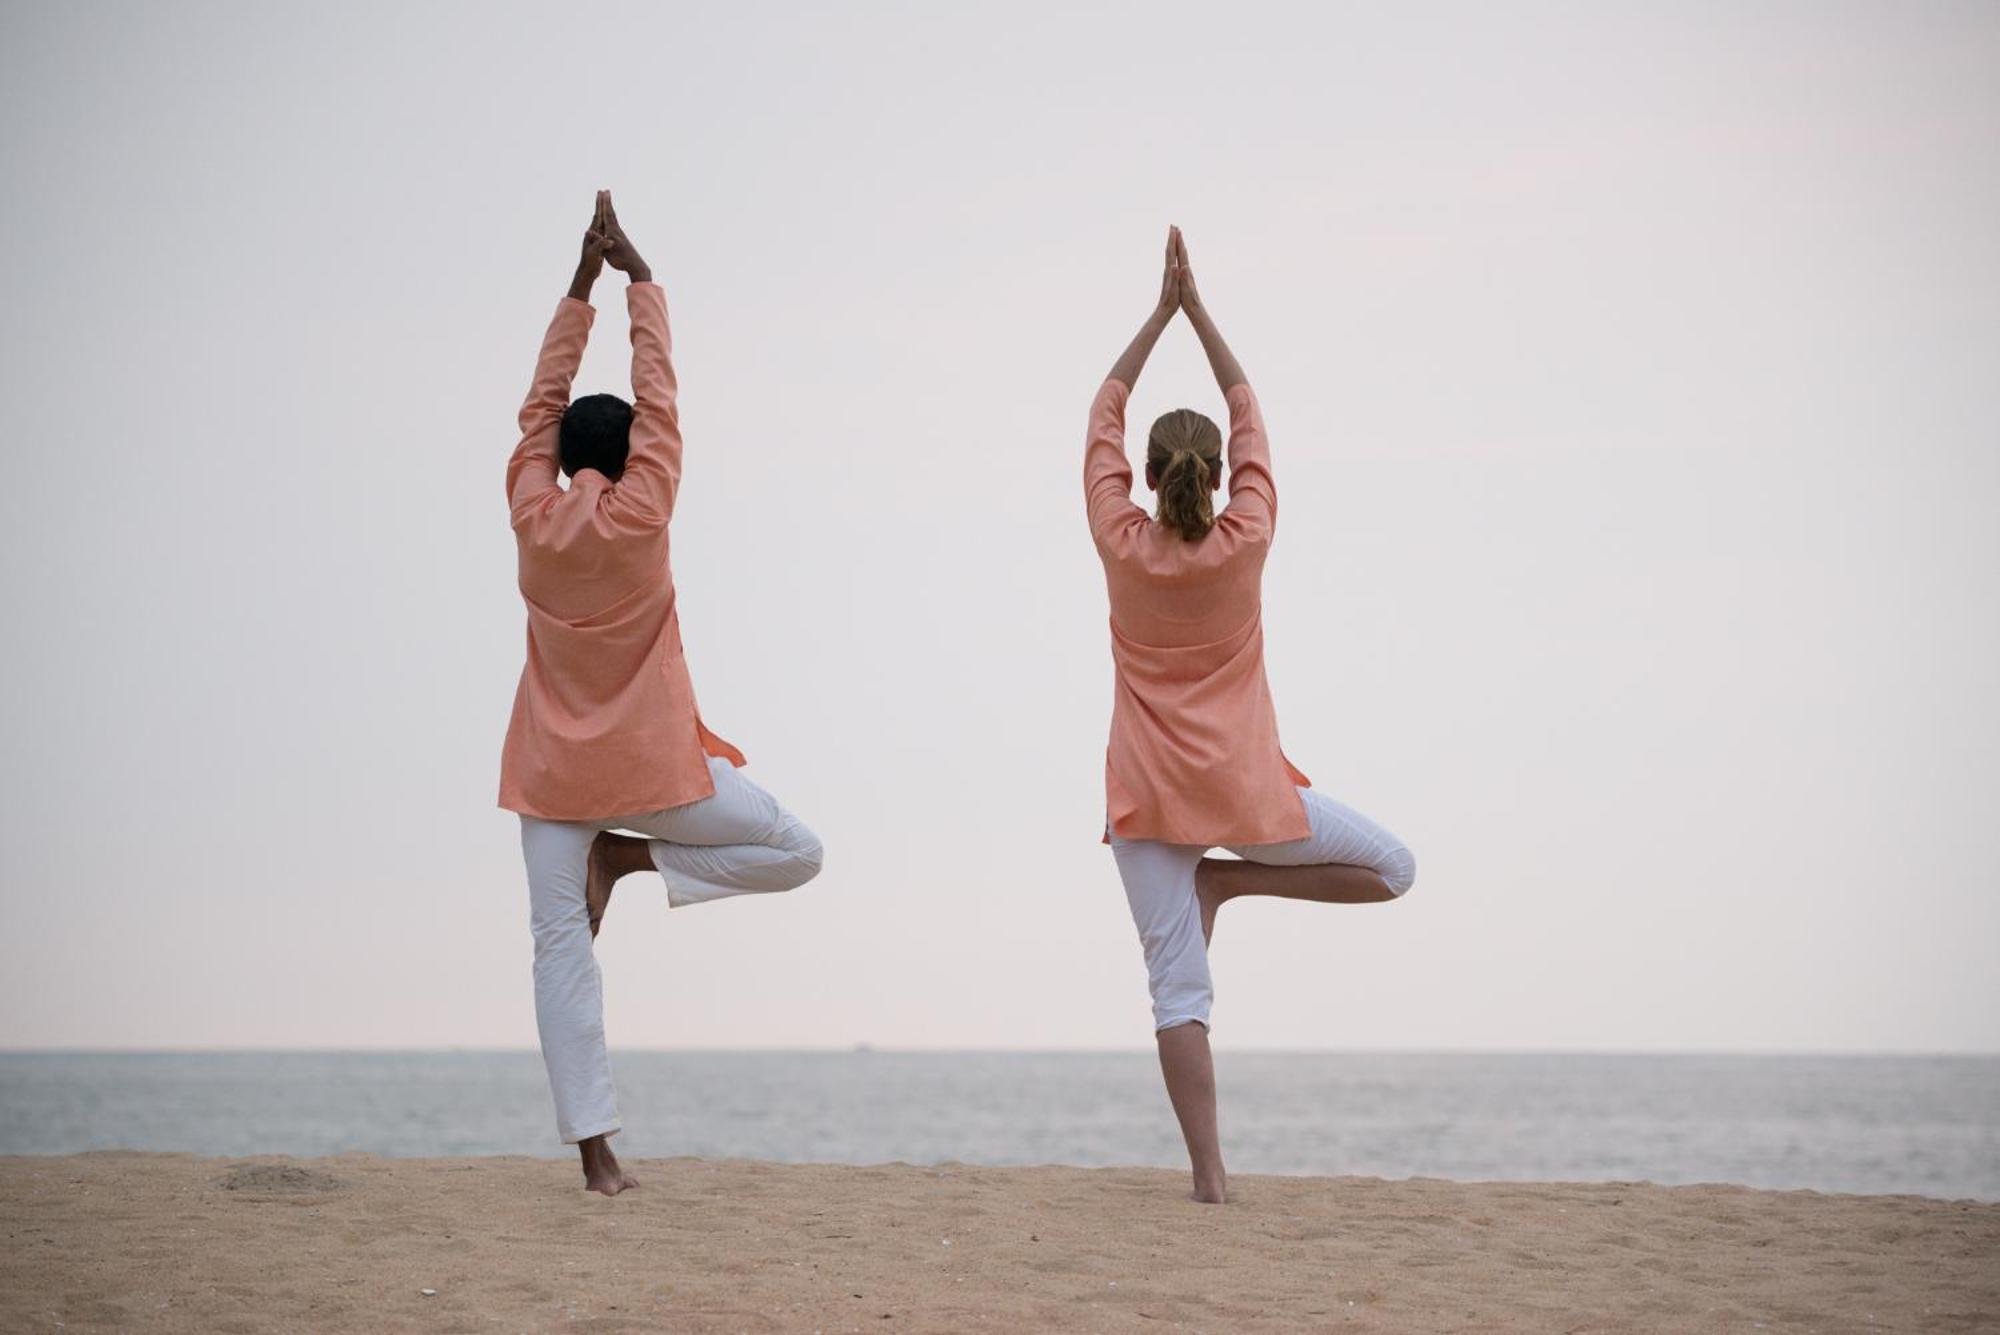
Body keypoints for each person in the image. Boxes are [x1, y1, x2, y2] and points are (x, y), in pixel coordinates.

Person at [501, 192, 824, 1196]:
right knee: (796, 849)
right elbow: (662, 401)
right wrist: (640, 277)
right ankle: (638, 861)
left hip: (552, 779)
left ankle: (598, 1162)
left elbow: (535, 408)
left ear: (557, 460)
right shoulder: (644, 510)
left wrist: (580, 285)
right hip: (649, 776)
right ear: (633, 455)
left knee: (560, 951)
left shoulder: (528, 509)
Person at [1085, 226, 1416, 1204]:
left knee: (1177, 995)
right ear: (1222, 475)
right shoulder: (1247, 534)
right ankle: (1231, 884)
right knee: (1392, 871)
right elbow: (1248, 411)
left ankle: (1209, 1179)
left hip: (1145, 804)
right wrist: (1200, 312)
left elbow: (1100, 413)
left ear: (1146, 478)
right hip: (1246, 800)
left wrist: (1157, 315)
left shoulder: (1119, 539)